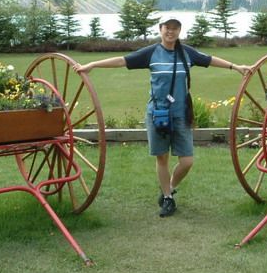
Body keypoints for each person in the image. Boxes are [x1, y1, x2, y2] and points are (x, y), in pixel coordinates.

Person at [73, 16, 252, 217]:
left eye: (175, 28)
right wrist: (93, 65)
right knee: (162, 158)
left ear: (179, 31)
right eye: (167, 28)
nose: (171, 32)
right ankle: (167, 198)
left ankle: (170, 187)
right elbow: (122, 60)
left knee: (187, 161)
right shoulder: (151, 53)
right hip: (158, 114)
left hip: (181, 114)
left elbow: (210, 60)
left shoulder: (187, 53)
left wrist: (236, 67)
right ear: (160, 29)